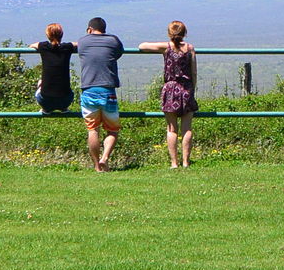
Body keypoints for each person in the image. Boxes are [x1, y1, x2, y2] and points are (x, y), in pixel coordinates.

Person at [139, 21, 198, 168]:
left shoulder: (166, 47)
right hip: (186, 89)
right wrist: (192, 90)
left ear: (169, 33)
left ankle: (174, 162)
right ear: (184, 33)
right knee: (187, 128)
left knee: (172, 129)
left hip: (170, 89)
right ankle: (186, 161)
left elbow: (142, 46)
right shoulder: (190, 48)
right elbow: (194, 72)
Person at [75, 16, 125, 171]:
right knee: (113, 130)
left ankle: (97, 166)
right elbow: (118, 53)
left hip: (88, 90)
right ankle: (105, 158)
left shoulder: (83, 41)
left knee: (93, 130)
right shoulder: (113, 40)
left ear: (89, 29)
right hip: (108, 90)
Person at [28, 23, 77, 115]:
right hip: (66, 100)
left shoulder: (43, 46)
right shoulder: (68, 47)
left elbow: (31, 46)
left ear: (47, 35)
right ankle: (64, 108)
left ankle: (46, 110)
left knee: (40, 84)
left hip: (45, 101)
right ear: (62, 34)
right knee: (68, 91)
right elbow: (78, 44)